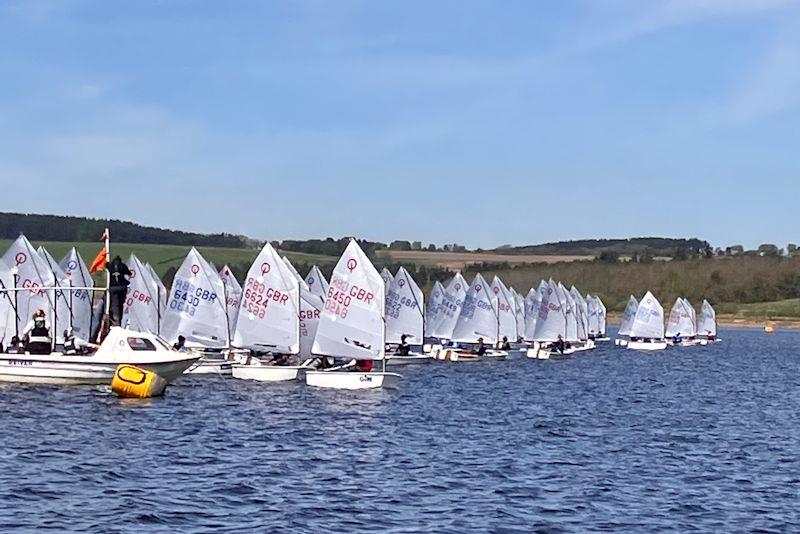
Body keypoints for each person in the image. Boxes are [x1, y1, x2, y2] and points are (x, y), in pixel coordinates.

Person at [107, 256, 131, 327]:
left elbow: (105, 266)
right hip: (122, 287)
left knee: (115, 305)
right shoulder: (123, 266)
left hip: (113, 287)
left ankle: (115, 321)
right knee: (121, 304)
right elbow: (129, 273)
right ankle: (119, 320)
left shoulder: (110, 266)